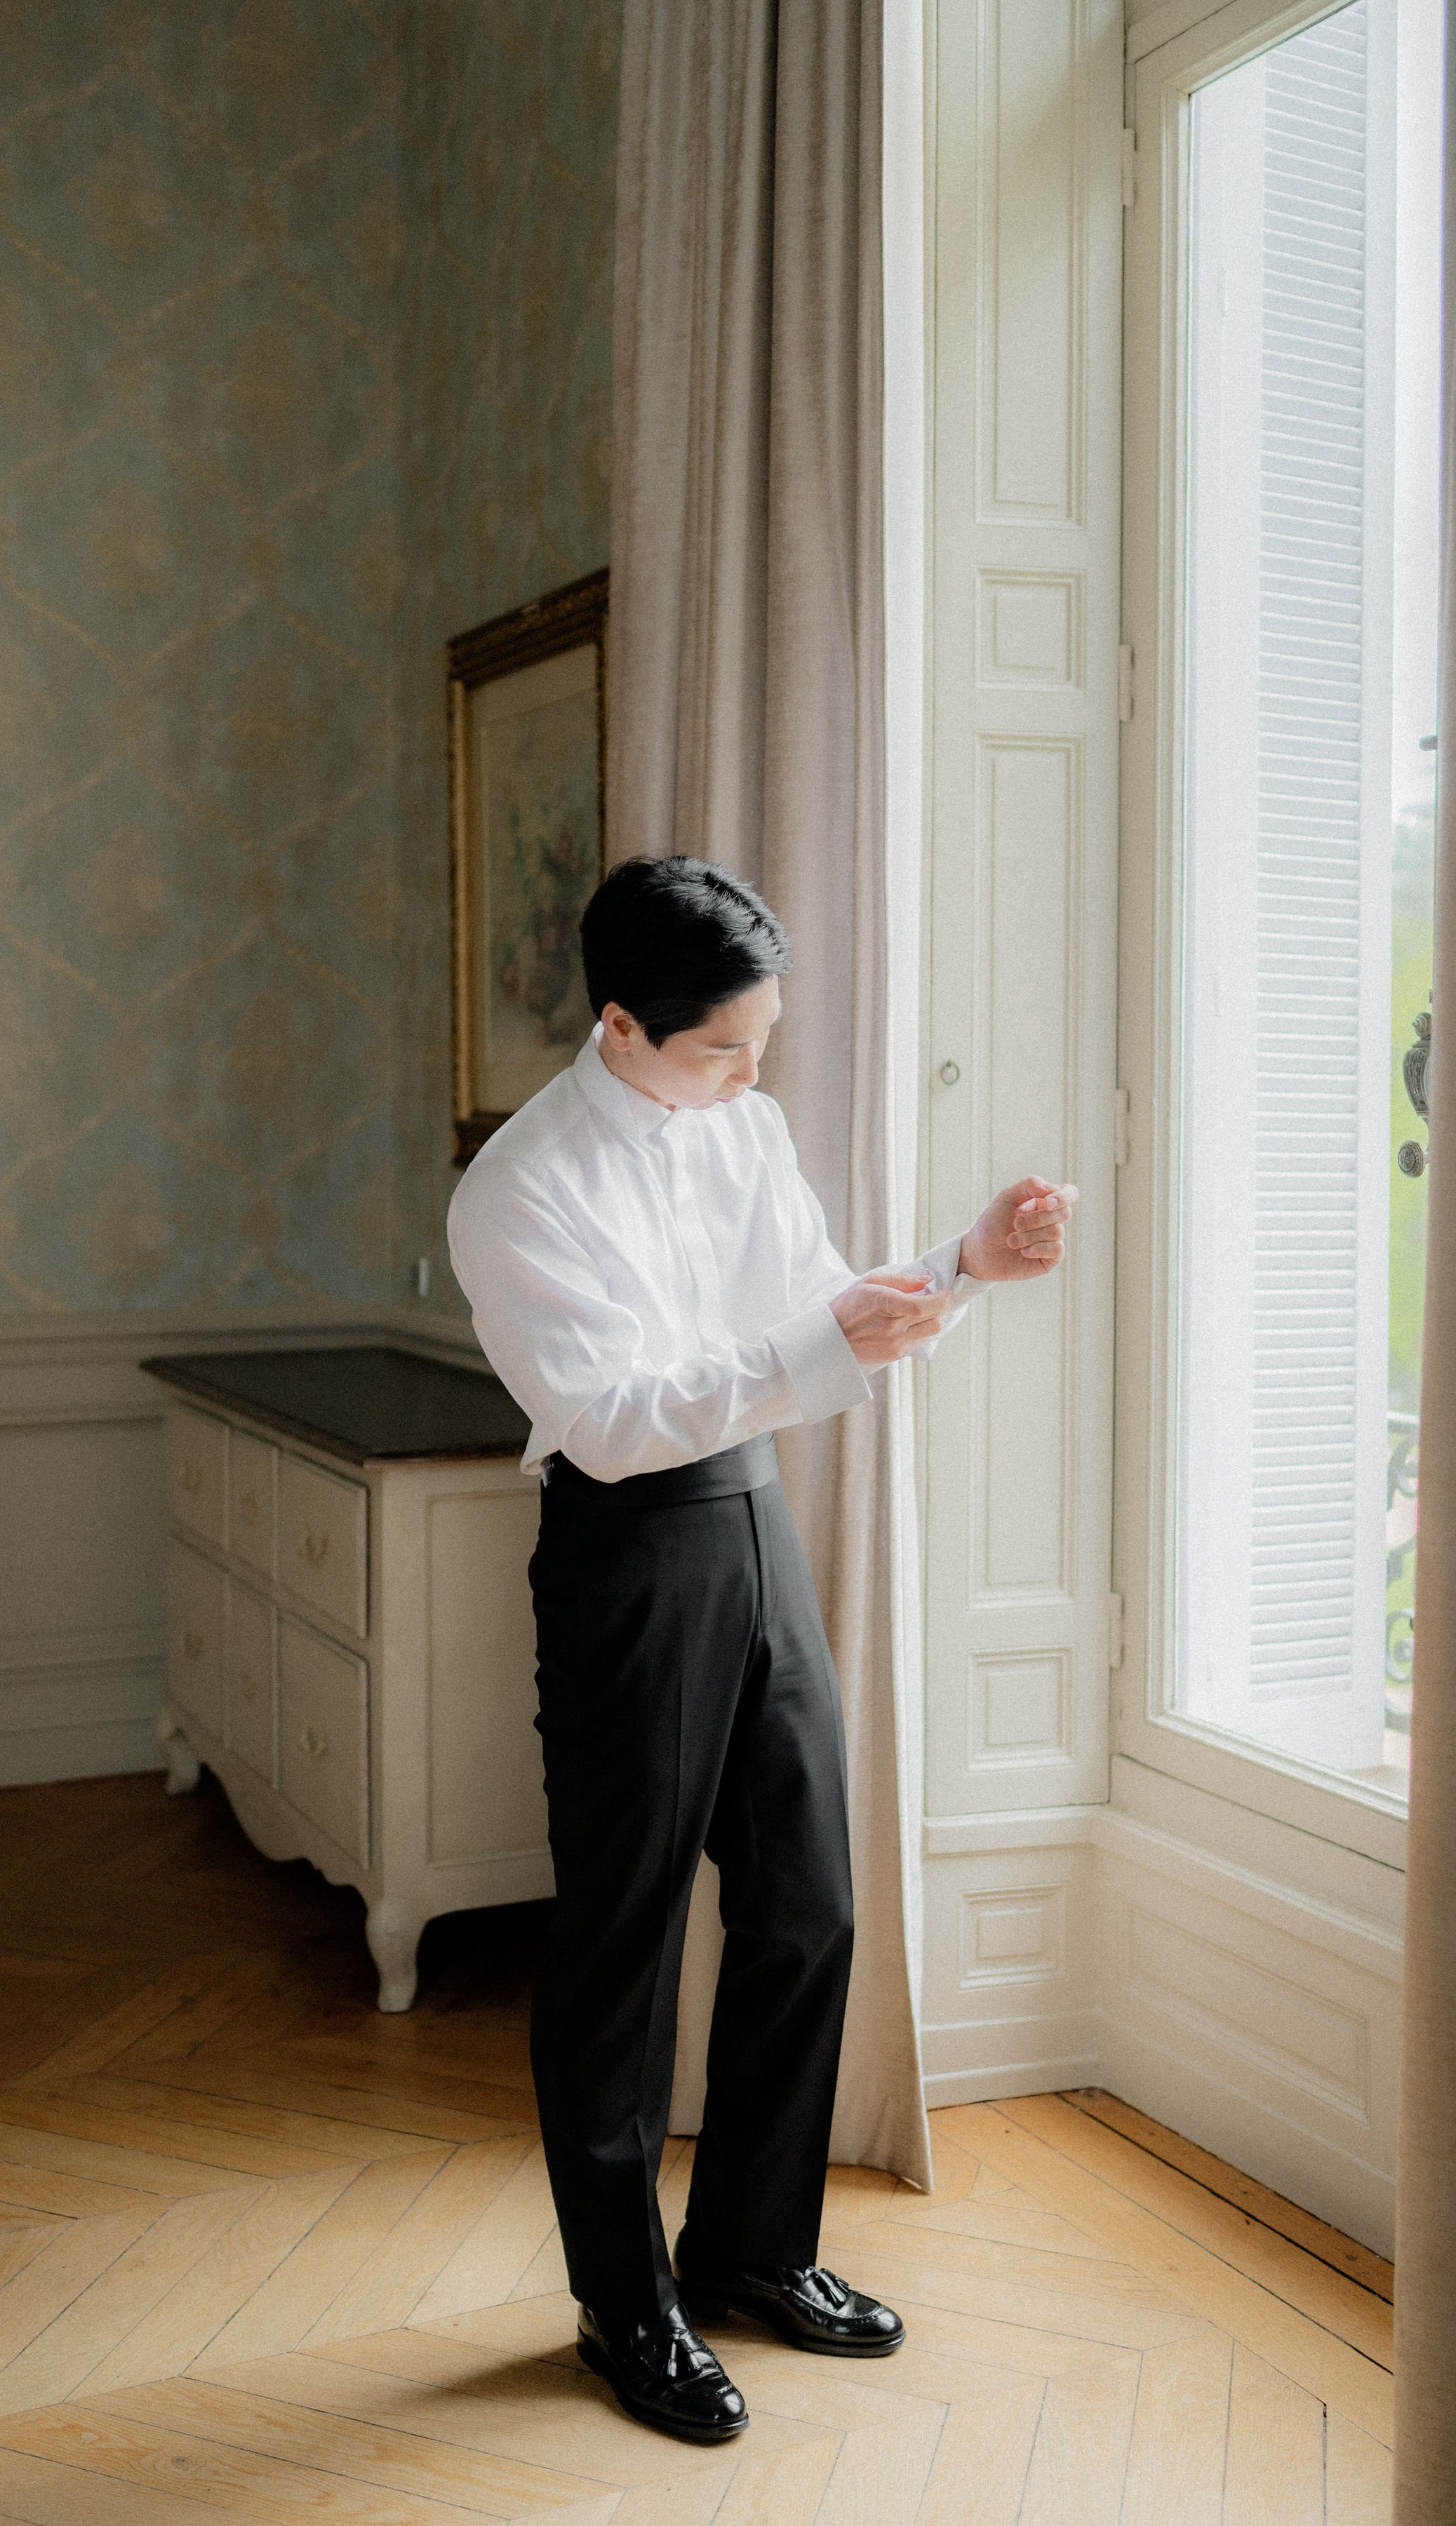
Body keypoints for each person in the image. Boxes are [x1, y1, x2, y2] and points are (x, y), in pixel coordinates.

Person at [447, 857, 1074, 2444]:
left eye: (762, 1041)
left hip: (752, 1524)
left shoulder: (749, 1124)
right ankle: (624, 2305)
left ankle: (747, 2253)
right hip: (626, 1551)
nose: (751, 1075)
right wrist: (819, 1342)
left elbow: (815, 1310)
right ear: (619, 1023)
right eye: (725, 1047)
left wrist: (959, 1270)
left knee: (806, 1901)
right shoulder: (515, 1190)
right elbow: (604, 1422)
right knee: (622, 1941)